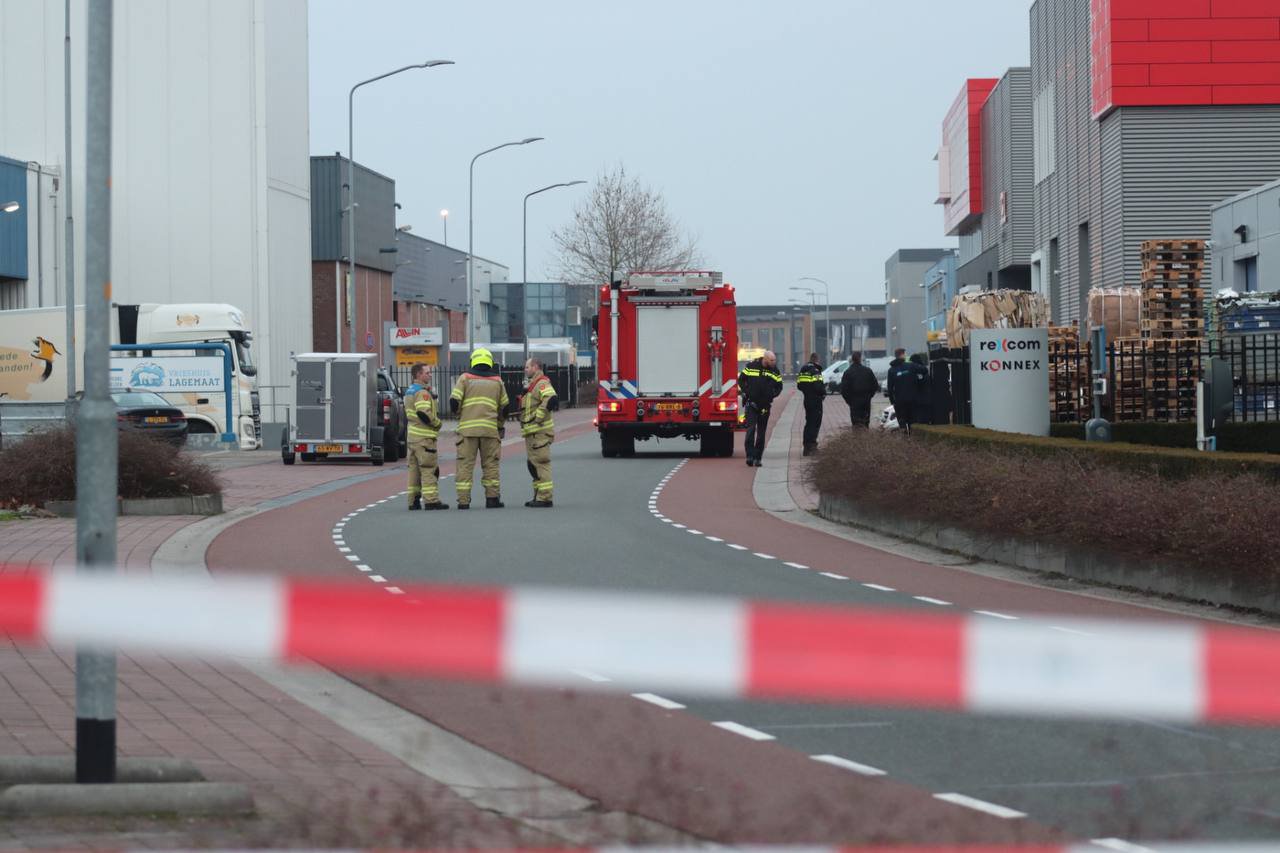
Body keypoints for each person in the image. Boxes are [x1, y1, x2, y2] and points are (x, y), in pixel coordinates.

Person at [450, 347, 509, 509]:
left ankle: (463, 501)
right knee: (490, 465)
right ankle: (492, 499)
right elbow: (505, 408)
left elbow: (454, 402)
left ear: (473, 361)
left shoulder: (465, 378)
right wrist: (500, 424)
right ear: (489, 361)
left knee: (465, 465)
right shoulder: (497, 381)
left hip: (467, 431)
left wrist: (459, 415)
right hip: (490, 430)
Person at [405, 363, 447, 510]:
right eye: (427, 372)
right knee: (429, 469)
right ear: (418, 375)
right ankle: (431, 500)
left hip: (412, 437)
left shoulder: (410, 391)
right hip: (424, 438)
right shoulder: (422, 392)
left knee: (414, 471)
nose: (430, 375)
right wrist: (437, 423)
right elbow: (423, 412)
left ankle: (413, 501)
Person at [519, 357, 558, 508]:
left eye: (527, 366)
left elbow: (551, 398)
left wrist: (539, 417)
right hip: (532, 433)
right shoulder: (532, 384)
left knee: (541, 464)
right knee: (533, 465)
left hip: (539, 433)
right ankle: (538, 496)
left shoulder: (542, 383)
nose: (525, 369)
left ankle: (545, 497)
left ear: (535, 367)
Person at [737, 349, 782, 467]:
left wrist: (773, 394)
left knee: (761, 433)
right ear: (765, 359)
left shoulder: (775, 371)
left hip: (765, 406)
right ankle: (750, 456)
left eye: (775, 360)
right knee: (750, 430)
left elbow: (779, 386)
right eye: (772, 360)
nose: (774, 362)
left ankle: (758, 458)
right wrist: (747, 392)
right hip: (752, 404)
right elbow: (741, 380)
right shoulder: (751, 366)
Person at [887, 352, 929, 435]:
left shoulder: (891, 370)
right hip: (912, 400)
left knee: (902, 422)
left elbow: (890, 388)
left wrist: (893, 401)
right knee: (912, 422)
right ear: (902, 356)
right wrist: (918, 380)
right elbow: (925, 370)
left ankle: (905, 440)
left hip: (899, 402)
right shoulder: (911, 366)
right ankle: (912, 438)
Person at [839, 352, 880, 429]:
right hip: (866, 401)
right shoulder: (868, 371)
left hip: (854, 402)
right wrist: (869, 396)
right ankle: (865, 439)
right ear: (860, 359)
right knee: (865, 423)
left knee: (856, 423)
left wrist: (849, 401)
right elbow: (875, 385)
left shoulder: (848, 372)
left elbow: (844, 390)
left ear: (852, 360)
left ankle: (857, 439)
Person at [796, 352, 825, 456]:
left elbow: (799, 385)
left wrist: (807, 391)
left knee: (808, 423)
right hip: (816, 401)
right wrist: (823, 392)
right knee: (815, 423)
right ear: (817, 360)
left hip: (807, 400)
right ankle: (812, 446)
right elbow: (818, 387)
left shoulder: (803, 369)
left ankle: (806, 447)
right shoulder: (815, 371)